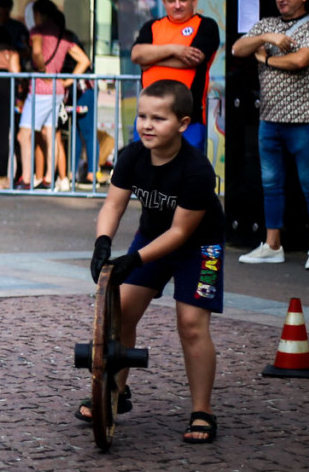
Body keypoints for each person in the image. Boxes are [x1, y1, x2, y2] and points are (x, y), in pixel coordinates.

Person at [76, 79, 224, 444]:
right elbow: (113, 204)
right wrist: (102, 244)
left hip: (200, 247)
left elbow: (180, 234)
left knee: (191, 324)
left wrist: (133, 260)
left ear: (183, 124)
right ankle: (116, 390)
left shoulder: (197, 170)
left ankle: (202, 411)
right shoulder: (132, 156)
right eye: (142, 116)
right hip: (152, 238)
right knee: (121, 310)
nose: (146, 125)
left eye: (158, 118)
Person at [231, 0, 309, 270]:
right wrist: (266, 38)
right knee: (271, 185)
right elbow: (238, 49)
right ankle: (273, 245)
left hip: (304, 120)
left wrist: (265, 60)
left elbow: (300, 61)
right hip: (269, 121)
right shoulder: (266, 25)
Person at [130, 0, 220, 150]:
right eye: (172, 1)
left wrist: (151, 60)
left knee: (186, 173)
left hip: (188, 121)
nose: (177, 5)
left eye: (183, 0)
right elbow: (136, 54)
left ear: (194, 1)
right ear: (164, 2)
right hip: (149, 120)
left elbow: (194, 59)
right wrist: (174, 49)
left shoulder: (206, 25)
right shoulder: (152, 27)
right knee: (145, 173)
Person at [16, 0, 89, 190]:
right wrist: (67, 80)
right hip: (58, 90)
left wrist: (41, 70)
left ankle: (26, 178)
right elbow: (84, 61)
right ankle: (49, 177)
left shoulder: (37, 32)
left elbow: (38, 52)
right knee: (52, 134)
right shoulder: (63, 35)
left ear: (38, 14)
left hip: (40, 89)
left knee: (24, 133)